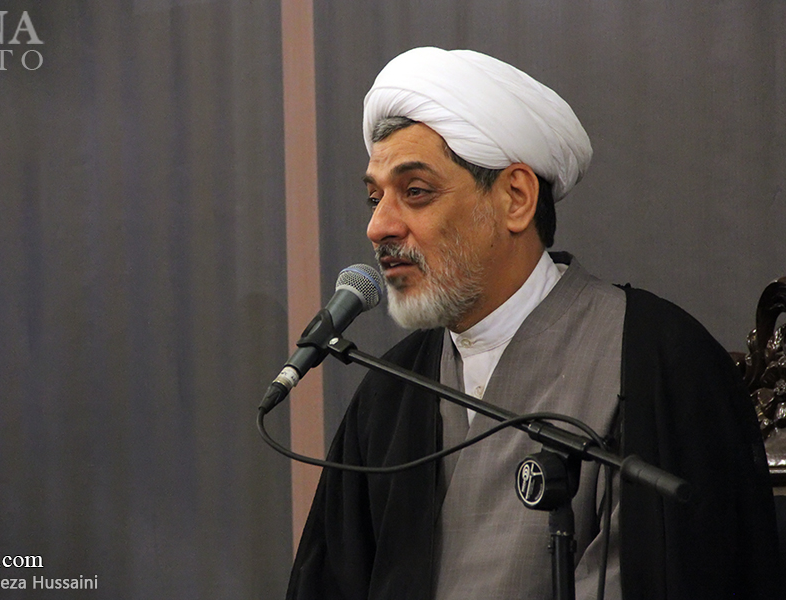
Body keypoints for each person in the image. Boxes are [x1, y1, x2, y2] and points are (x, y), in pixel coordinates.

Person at [286, 47, 780, 600]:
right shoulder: (391, 392)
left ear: (516, 198)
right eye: (375, 198)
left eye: (415, 192)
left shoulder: (658, 361)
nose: (379, 226)